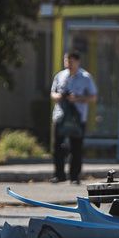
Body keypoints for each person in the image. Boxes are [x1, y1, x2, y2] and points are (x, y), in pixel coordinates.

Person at [49, 50, 97, 184]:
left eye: (70, 61)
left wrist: (77, 98)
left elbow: (93, 97)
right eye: (66, 61)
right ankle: (59, 175)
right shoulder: (60, 76)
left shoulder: (86, 77)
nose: (68, 64)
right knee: (57, 147)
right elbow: (52, 93)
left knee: (76, 148)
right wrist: (60, 96)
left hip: (78, 118)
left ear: (77, 62)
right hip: (60, 116)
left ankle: (75, 176)